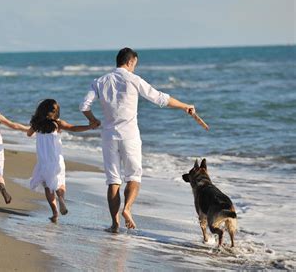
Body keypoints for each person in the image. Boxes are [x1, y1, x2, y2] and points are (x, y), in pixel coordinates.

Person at [79, 47, 197, 233]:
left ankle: (115, 224)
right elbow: (160, 98)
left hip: (109, 135)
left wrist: (92, 120)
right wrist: (184, 106)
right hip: (130, 135)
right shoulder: (133, 79)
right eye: (135, 64)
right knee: (133, 176)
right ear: (131, 62)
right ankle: (127, 208)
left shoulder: (100, 81)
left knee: (113, 181)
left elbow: (84, 105)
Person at [27, 99, 98, 223]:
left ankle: (55, 213)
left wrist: (35, 129)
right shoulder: (58, 124)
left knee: (48, 187)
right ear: (55, 112)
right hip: (57, 160)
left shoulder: (36, 124)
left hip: (43, 161)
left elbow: (28, 134)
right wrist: (89, 126)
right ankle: (61, 199)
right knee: (59, 183)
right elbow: (74, 128)